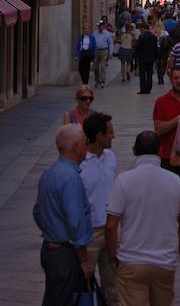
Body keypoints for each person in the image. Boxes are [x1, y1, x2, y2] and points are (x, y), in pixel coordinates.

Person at [105, 131, 180, 306]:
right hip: (164, 263)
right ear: (160, 151)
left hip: (132, 261)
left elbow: (111, 226)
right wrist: (175, 249)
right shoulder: (174, 180)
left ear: (133, 150)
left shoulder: (123, 180)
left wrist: (113, 255)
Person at [33, 124, 94, 305]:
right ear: (76, 146)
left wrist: (51, 232)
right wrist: (84, 260)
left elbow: (37, 212)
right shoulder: (71, 178)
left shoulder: (49, 173)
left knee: (54, 297)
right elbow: (75, 223)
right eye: (85, 142)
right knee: (66, 298)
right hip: (65, 253)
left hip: (50, 249)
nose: (87, 146)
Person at [80, 113, 118, 306]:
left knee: (114, 285)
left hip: (111, 229)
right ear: (98, 136)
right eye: (110, 132)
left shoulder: (111, 157)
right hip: (89, 233)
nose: (114, 136)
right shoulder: (80, 163)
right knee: (83, 284)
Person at [136, 22, 158, 94]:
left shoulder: (141, 37)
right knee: (149, 73)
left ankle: (143, 89)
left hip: (142, 58)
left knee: (142, 74)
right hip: (151, 58)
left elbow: (138, 48)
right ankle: (149, 88)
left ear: (143, 28)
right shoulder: (153, 37)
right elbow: (155, 48)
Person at [94, 20, 114, 89]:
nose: (99, 27)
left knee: (102, 66)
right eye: (98, 26)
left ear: (103, 26)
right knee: (95, 67)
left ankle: (102, 81)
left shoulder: (107, 34)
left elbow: (110, 43)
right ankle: (97, 80)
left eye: (100, 25)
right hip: (96, 51)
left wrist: (110, 53)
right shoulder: (95, 33)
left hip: (104, 51)